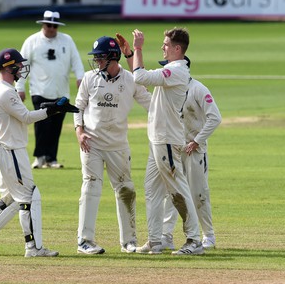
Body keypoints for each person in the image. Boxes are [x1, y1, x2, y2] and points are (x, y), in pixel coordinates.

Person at [0, 48, 78, 258]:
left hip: (8, 150)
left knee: (12, 198)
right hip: (11, 151)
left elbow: (21, 116)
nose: (22, 68)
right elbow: (26, 117)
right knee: (29, 195)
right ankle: (33, 248)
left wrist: (51, 107)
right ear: (10, 67)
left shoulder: (2, 89)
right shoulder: (5, 92)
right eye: (19, 65)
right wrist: (53, 110)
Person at [74, 36, 152, 254]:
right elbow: (78, 107)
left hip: (118, 145)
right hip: (92, 143)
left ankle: (129, 242)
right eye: (96, 57)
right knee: (90, 187)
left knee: (126, 190)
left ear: (113, 57)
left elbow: (150, 102)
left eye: (101, 57)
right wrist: (79, 132)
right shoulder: (90, 78)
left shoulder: (130, 80)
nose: (97, 61)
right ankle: (84, 241)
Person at [131, 28, 204, 255]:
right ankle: (155, 240)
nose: (162, 47)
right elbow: (140, 80)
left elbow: (140, 76)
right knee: (151, 190)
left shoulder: (177, 71)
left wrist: (138, 48)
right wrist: (130, 55)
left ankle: (194, 240)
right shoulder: (171, 70)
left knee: (178, 189)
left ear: (177, 49)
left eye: (165, 44)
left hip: (167, 140)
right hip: (157, 140)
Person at [161, 56, 222, 251]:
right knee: (172, 193)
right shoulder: (169, 92)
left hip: (195, 151)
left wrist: (197, 141)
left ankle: (208, 236)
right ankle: (166, 236)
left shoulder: (198, 89)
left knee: (198, 193)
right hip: (175, 149)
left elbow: (215, 118)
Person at [16, 10, 85, 169]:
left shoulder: (67, 40)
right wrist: (19, 87)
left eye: (55, 25)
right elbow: (23, 66)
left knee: (56, 126)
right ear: (43, 24)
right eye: (49, 25)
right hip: (39, 91)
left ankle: (51, 158)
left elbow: (76, 61)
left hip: (61, 92)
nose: (51, 28)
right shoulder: (32, 41)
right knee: (41, 125)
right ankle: (39, 157)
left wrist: (81, 77)